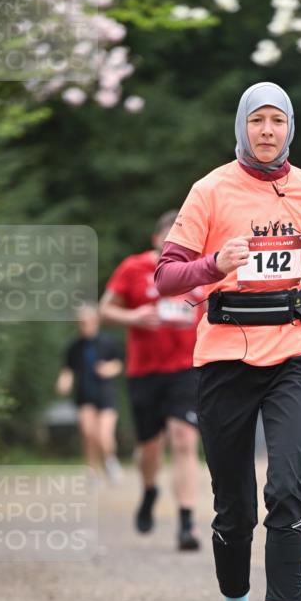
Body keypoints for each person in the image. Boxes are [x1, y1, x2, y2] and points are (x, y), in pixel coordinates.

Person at [154, 82, 301, 601]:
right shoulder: (209, 190)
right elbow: (165, 276)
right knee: (235, 510)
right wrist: (215, 265)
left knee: (288, 490)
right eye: (257, 120)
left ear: (290, 128)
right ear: (242, 127)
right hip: (225, 359)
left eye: (278, 121)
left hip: (292, 351)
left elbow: (299, 253)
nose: (267, 131)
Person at [99, 211, 203, 549]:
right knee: (149, 447)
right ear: (157, 239)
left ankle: (187, 522)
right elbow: (105, 310)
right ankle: (149, 490)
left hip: (187, 368)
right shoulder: (134, 268)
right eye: (169, 237)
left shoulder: (201, 270)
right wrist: (133, 316)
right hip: (144, 371)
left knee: (184, 438)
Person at [55, 304, 123, 480]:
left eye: (86, 322)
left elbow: (118, 364)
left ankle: (110, 460)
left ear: (95, 321)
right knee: (88, 433)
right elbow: (68, 369)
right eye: (80, 323)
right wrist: (64, 381)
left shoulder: (107, 341)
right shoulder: (74, 346)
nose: (83, 326)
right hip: (84, 394)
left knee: (103, 435)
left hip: (105, 394)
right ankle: (92, 471)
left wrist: (109, 368)